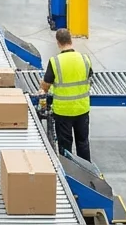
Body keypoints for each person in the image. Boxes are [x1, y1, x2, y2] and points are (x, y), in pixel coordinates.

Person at [40, 28, 92, 161]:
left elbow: (46, 85)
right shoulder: (84, 58)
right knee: (83, 143)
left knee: (65, 145)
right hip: (82, 109)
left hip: (63, 112)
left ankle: (69, 173)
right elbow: (89, 77)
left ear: (58, 42)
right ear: (71, 40)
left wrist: (43, 91)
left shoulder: (55, 61)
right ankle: (87, 173)